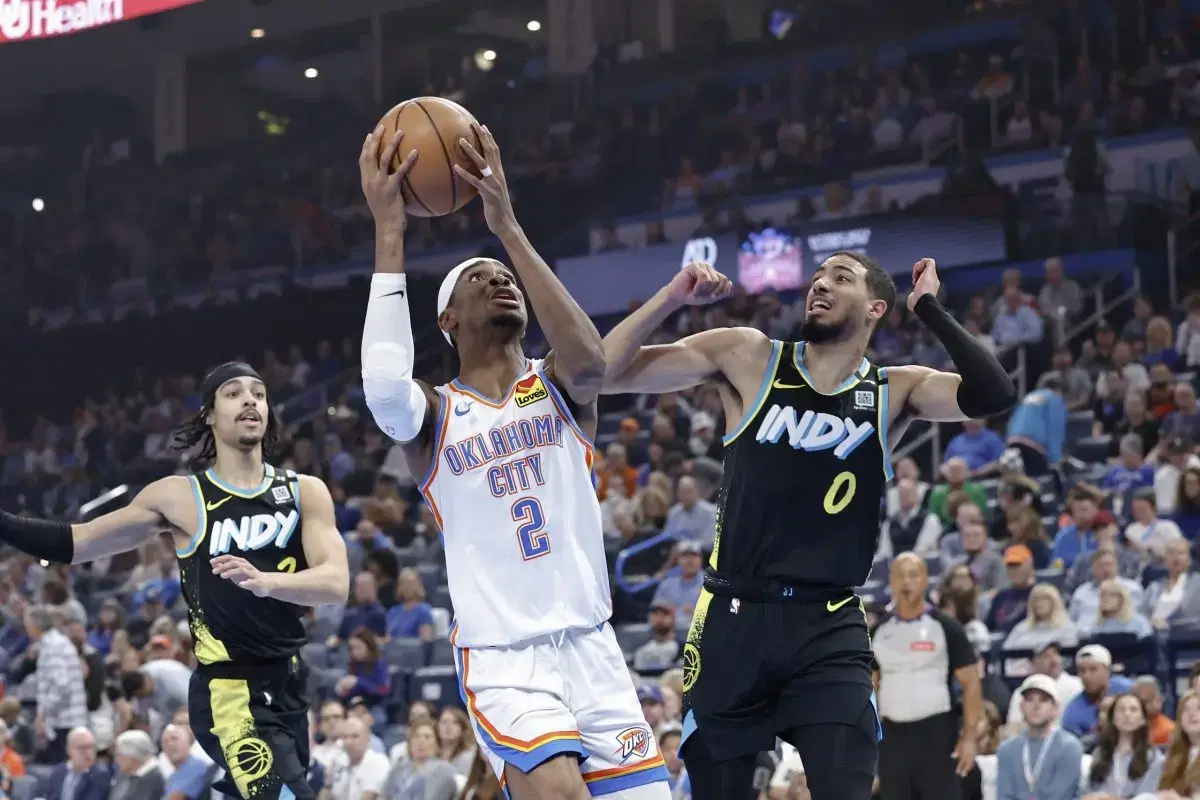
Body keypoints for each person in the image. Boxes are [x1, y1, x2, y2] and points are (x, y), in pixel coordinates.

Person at [600, 254, 1016, 799]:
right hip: (733, 618)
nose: (820, 284)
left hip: (828, 623)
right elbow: (600, 372)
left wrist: (929, 308)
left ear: (875, 308)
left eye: (841, 277)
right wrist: (671, 298)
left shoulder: (893, 389)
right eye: (818, 276)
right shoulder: (751, 356)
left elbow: (994, 394)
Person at [358, 123, 668, 798]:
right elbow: (382, 390)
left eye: (505, 277)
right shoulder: (435, 413)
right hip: (505, 659)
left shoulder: (557, 382)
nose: (500, 281)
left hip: (593, 647)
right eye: (480, 278)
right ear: (448, 320)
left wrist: (507, 228)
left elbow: (593, 363)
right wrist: (390, 231)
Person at [0, 361, 351, 800]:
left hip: (289, 682)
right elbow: (74, 542)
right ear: (210, 414)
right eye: (234, 393)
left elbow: (336, 582)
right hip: (228, 691)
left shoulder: (304, 491)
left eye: (259, 393)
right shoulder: (181, 496)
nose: (250, 400)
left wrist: (268, 583)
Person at [872, 554, 982, 800]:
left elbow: (971, 683)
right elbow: (868, 689)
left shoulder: (947, 628)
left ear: (925, 580)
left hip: (937, 737)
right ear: (891, 582)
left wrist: (969, 739)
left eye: (913, 575)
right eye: (900, 575)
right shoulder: (878, 631)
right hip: (893, 740)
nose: (906, 582)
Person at [994, 675, 1083, 800]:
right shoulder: (1006, 750)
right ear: (1021, 706)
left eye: (1044, 700)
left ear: (1055, 708)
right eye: (1030, 700)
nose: (1036, 706)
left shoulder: (1069, 747)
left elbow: (1060, 796)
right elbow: (1004, 796)